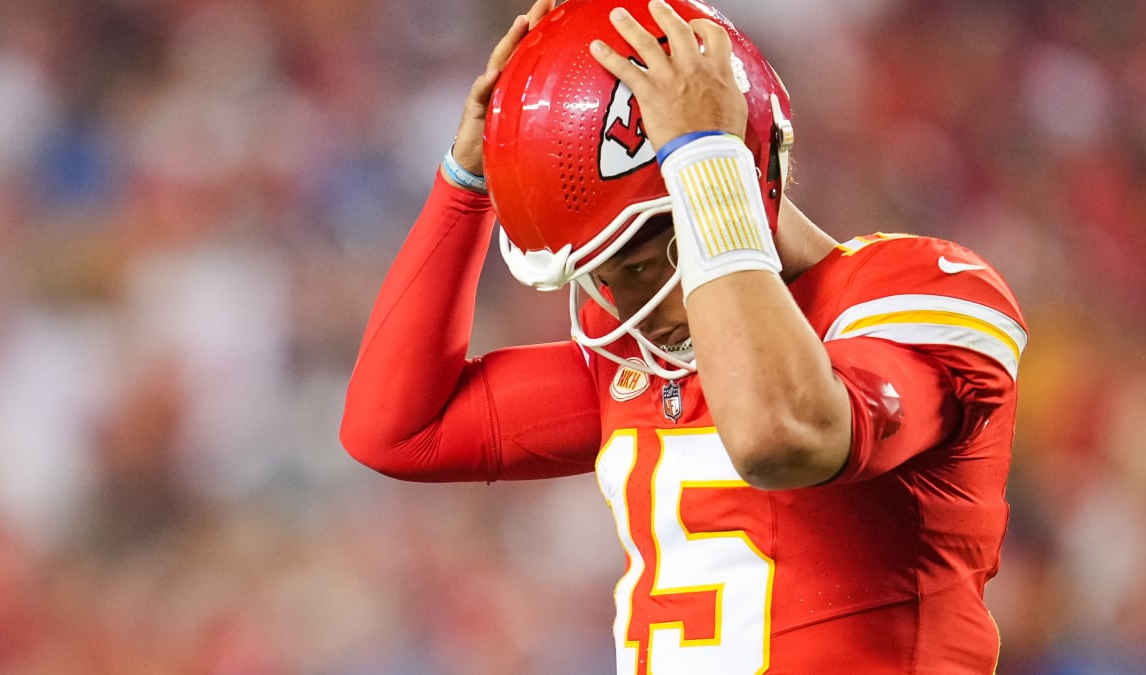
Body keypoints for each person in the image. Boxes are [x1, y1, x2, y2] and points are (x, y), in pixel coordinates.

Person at [341, 0, 1028, 671]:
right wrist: (466, 182)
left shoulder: (923, 287)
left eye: (639, 264)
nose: (623, 303)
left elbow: (779, 435)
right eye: (603, 275)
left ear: (743, 172)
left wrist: (704, 160)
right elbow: (396, 429)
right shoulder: (636, 352)